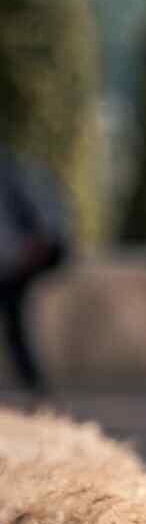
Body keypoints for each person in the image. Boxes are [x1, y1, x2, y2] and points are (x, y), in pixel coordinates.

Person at [0, 151, 67, 404]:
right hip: (17, 258)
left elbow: (43, 226)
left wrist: (36, 246)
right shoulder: (14, 171)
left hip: (20, 258)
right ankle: (34, 384)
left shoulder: (11, 174)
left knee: (14, 319)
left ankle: (35, 384)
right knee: (13, 320)